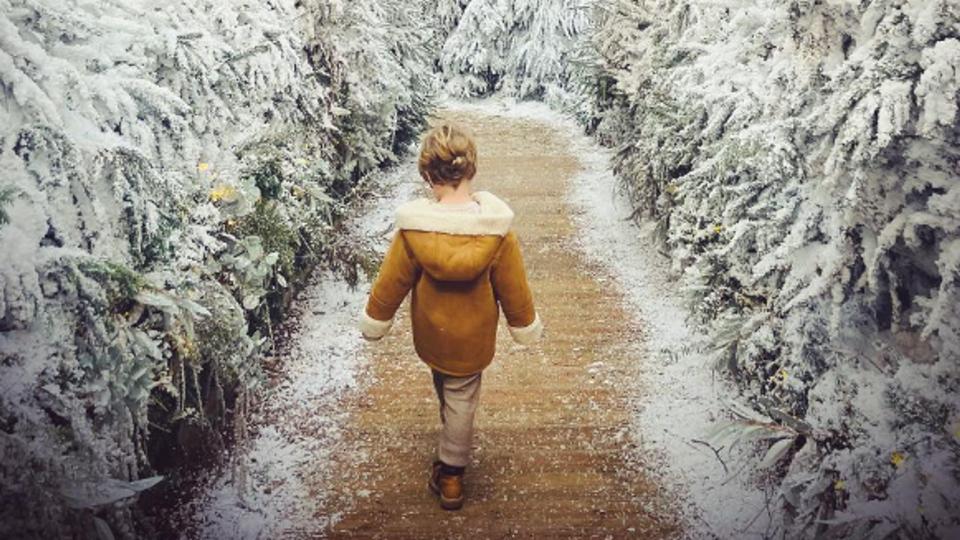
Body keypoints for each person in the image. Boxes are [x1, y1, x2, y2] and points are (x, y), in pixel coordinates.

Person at [357, 122, 543, 510]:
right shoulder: (495, 234)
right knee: (461, 394)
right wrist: (522, 324)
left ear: (428, 176)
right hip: (473, 338)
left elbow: (392, 280)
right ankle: (453, 473)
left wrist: (377, 318)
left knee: (446, 383)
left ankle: (450, 466)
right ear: (470, 170)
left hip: (431, 331)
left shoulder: (416, 232)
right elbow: (513, 286)